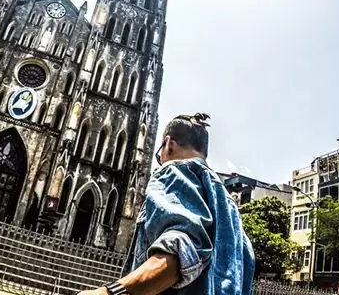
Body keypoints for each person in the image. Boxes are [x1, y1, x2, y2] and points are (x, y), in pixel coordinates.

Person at [78, 113, 255, 295]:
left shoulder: (173, 173)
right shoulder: (230, 210)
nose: (161, 161)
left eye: (159, 154)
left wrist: (108, 293)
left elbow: (181, 251)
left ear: (168, 144)